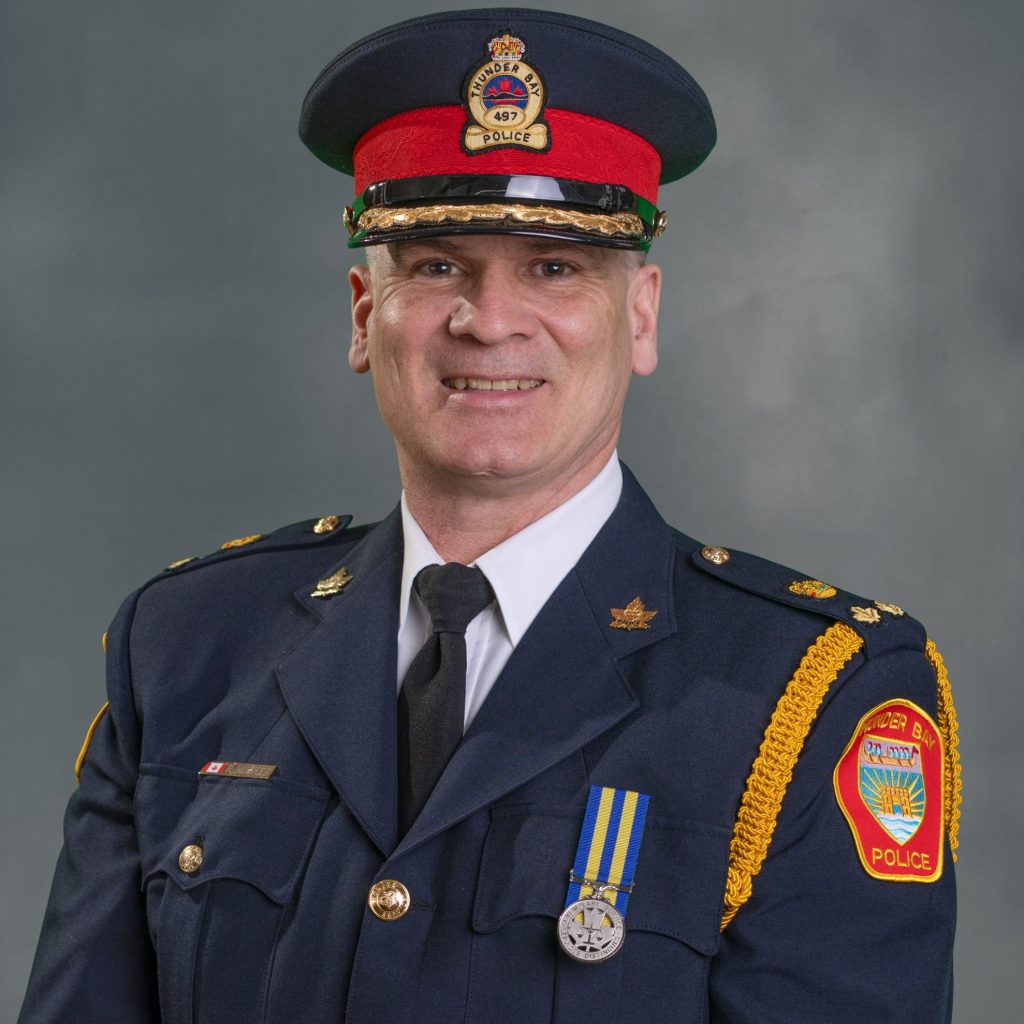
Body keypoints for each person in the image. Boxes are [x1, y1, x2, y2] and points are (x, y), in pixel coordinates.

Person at [19, 8, 959, 1023]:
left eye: (553, 268)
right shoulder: (188, 647)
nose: (488, 319)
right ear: (361, 312)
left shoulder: (808, 695)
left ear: (638, 315)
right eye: (434, 266)